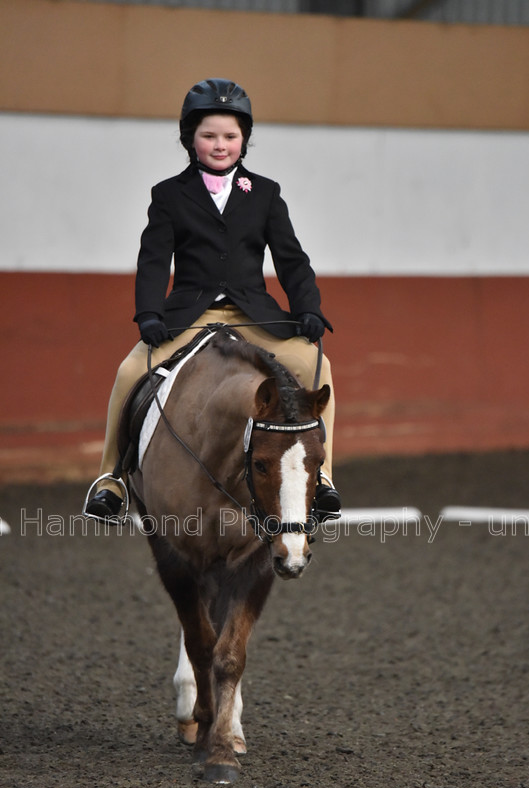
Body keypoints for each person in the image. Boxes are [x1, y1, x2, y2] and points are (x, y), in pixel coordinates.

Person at [85, 78, 341, 522]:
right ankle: (111, 479)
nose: (220, 145)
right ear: (191, 139)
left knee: (316, 366)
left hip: (253, 315)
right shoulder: (168, 194)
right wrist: (148, 313)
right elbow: (152, 261)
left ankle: (323, 479)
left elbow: (292, 260)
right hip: (190, 314)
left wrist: (308, 308)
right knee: (130, 371)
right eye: (209, 136)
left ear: (244, 140)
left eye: (230, 136)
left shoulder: (265, 193)